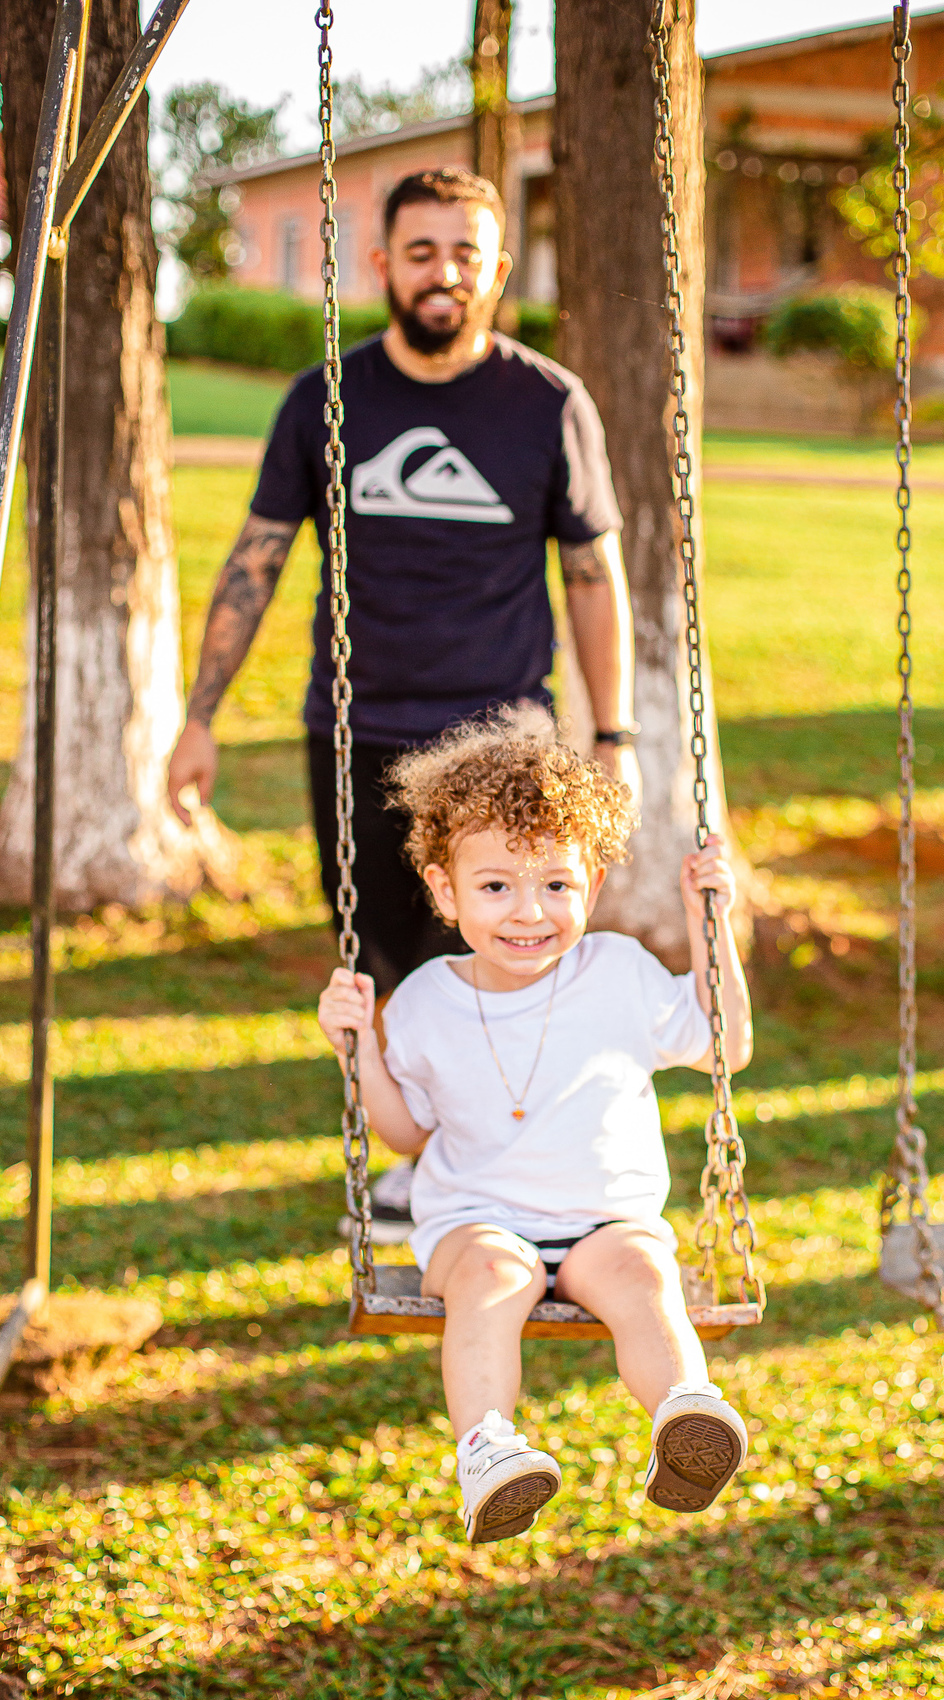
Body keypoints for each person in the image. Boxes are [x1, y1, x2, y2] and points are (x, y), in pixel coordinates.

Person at [167, 165, 640, 1242]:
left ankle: (521, 1171)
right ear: (382, 265)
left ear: (499, 267)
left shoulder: (548, 403)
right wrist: (200, 716)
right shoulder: (324, 401)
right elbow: (255, 560)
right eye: (422, 252)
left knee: (507, 953)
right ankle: (424, 1165)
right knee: (382, 961)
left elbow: (592, 576)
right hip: (359, 729)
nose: (444, 273)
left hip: (504, 744)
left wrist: (613, 735)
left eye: (466, 252)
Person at [316, 710, 752, 1544]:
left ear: (593, 883)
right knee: (490, 1276)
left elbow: (725, 1044)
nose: (530, 912)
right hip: (477, 1219)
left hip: (605, 1222)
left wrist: (713, 925)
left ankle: (686, 1415)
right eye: (496, 887)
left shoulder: (618, 972)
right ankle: (488, 1453)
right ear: (445, 891)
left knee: (643, 1277)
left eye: (556, 884)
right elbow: (405, 1135)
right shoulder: (426, 1003)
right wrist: (357, 1051)